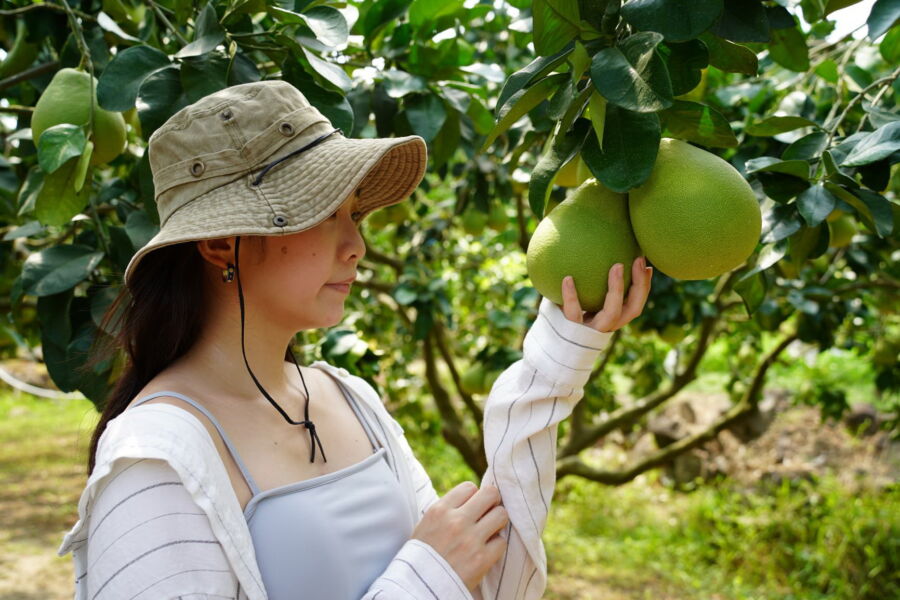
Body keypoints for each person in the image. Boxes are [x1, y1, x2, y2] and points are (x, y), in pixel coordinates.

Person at [58, 80, 653, 600]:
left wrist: (562, 352)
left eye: (355, 216)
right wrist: (426, 577)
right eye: (323, 215)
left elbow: (479, 575)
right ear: (219, 244)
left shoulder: (348, 399)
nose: (356, 247)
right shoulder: (156, 458)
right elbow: (438, 573)